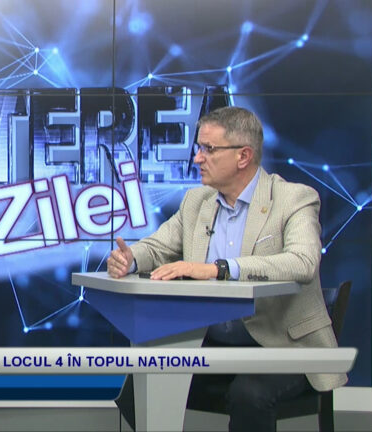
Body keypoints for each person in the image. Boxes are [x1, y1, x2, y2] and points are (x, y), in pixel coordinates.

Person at [107, 106, 346, 432]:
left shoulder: (294, 199)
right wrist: (131, 258)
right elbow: (157, 247)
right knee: (142, 382)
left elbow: (302, 263)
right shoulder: (197, 202)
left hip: (282, 345)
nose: (197, 158)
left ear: (243, 156)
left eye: (208, 149)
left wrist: (219, 269)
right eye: (198, 148)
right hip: (213, 343)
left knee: (249, 394)